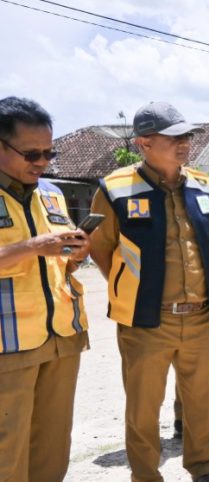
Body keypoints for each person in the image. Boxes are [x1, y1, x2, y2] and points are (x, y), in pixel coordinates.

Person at [89, 101, 209, 482]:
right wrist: (130, 288)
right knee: (144, 409)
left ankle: (204, 468)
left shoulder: (203, 183)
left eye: (187, 136)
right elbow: (101, 248)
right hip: (146, 322)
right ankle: (146, 475)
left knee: (202, 403)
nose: (185, 143)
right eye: (174, 137)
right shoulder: (115, 189)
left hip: (200, 317)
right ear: (145, 143)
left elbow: (208, 242)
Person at [0, 96, 90, 482]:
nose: (42, 162)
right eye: (31, 153)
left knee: (52, 448)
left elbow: (59, 257)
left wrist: (75, 253)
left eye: (48, 153)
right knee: (7, 451)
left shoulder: (51, 193)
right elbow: (35, 250)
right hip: (8, 345)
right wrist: (32, 247)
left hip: (61, 338)